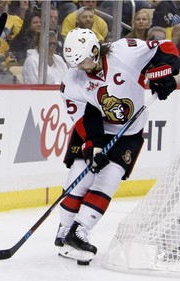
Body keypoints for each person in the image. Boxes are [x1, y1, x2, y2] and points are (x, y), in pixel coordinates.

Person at [55, 28, 180, 264]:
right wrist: (93, 145)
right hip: (94, 129)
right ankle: (63, 231)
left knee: (109, 177)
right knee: (80, 179)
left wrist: (163, 73)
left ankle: (79, 231)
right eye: (75, 63)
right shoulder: (72, 80)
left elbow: (164, 48)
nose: (80, 67)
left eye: (83, 61)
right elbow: (84, 118)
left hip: (129, 132)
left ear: (94, 49)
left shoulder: (124, 51)